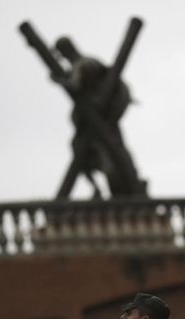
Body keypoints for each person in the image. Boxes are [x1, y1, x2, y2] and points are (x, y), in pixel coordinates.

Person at [52, 37, 139, 198]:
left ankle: (124, 190)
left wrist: (62, 81)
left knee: (112, 161)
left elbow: (75, 84)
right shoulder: (78, 67)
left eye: (63, 53)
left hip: (101, 122)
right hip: (92, 125)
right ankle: (98, 189)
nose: (63, 57)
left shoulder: (85, 64)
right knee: (80, 150)